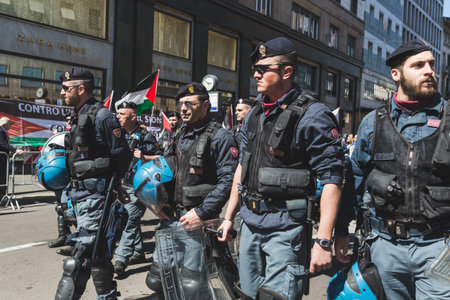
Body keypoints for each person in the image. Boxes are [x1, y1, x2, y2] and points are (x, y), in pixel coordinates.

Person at [217, 37, 345, 300]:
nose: (255, 74)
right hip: (250, 225)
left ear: (286, 72)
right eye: (255, 68)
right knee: (246, 295)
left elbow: (332, 177)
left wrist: (323, 241)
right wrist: (229, 215)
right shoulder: (254, 113)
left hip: (286, 230)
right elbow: (243, 166)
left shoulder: (313, 115)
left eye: (263, 69)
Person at [335, 39, 450, 299]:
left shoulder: (448, 116)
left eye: (431, 64)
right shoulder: (372, 122)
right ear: (396, 74)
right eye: (419, 65)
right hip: (386, 245)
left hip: (440, 246)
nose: (429, 70)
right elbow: (354, 178)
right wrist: (341, 231)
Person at [145, 82, 238, 299]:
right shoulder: (179, 133)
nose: (183, 108)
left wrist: (203, 212)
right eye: (180, 104)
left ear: (206, 105)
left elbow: (229, 182)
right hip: (169, 221)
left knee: (192, 286)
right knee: (158, 280)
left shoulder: (220, 137)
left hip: (196, 224)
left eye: (189, 103)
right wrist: (156, 203)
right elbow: (164, 170)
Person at [54, 67, 132, 300]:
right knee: (98, 255)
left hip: (97, 197)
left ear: (81, 89)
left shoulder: (103, 116)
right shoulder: (80, 115)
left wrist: (115, 184)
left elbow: (122, 155)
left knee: (78, 260)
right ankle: (107, 296)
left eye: (66, 88)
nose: (62, 92)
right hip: (79, 197)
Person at [113, 101, 163, 276]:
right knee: (129, 219)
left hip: (141, 186)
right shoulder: (118, 135)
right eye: (117, 113)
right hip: (124, 184)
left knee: (129, 219)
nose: (118, 117)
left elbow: (162, 158)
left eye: (122, 114)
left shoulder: (146, 135)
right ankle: (138, 252)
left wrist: (144, 156)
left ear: (133, 116)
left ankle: (121, 259)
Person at [0, 117, 24, 200]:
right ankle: (1, 195)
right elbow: (3, 144)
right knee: (2, 177)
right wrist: (15, 150)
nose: (11, 125)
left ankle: (3, 194)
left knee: (4, 177)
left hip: (4, 158)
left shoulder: (3, 131)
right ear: (5, 124)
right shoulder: (0, 131)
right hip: (1, 158)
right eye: (10, 123)